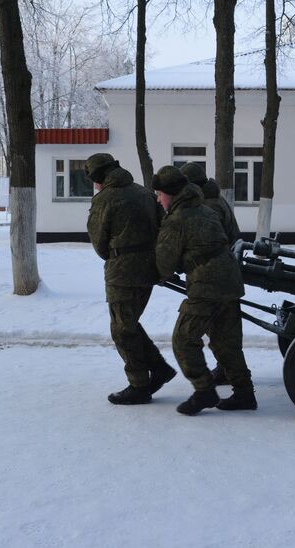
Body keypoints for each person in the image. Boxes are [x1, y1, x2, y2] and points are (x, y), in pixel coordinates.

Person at [152, 165, 256, 415]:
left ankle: (204, 390)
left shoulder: (176, 220)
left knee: (184, 339)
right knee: (226, 342)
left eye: (159, 194)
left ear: (171, 193)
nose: (157, 199)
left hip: (206, 284)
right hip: (229, 279)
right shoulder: (206, 208)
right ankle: (244, 393)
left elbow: (164, 265)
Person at [85, 153, 177, 405]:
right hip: (148, 269)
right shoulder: (144, 193)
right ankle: (159, 368)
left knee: (122, 329)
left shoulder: (104, 199)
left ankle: (139, 384)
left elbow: (99, 242)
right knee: (129, 323)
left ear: (98, 177)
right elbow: (163, 226)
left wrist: (116, 255)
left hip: (122, 272)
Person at [180, 162, 240, 386]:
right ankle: (226, 369)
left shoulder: (207, 206)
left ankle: (226, 371)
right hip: (224, 268)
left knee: (218, 329)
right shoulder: (214, 199)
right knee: (221, 329)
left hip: (215, 273)